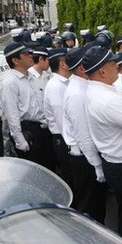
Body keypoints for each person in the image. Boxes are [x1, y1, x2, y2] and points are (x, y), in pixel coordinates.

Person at [84, 46, 122, 242]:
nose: (117, 66)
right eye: (112, 63)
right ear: (102, 71)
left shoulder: (96, 91)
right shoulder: (107, 100)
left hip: (112, 162)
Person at [62, 46, 107, 223]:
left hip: (86, 156)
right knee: (91, 208)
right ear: (82, 68)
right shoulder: (76, 94)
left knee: (96, 205)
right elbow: (83, 134)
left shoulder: (82, 87)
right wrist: (96, 164)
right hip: (84, 158)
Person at [0, 42, 53, 170]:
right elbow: (11, 114)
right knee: (35, 169)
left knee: (49, 166)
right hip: (29, 130)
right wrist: (19, 139)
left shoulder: (31, 76)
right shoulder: (10, 82)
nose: (31, 56)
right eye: (26, 54)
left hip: (43, 128)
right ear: (15, 60)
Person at [43, 47, 72, 186]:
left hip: (67, 139)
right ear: (62, 64)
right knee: (72, 179)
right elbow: (62, 121)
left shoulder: (64, 83)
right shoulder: (56, 86)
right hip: (64, 140)